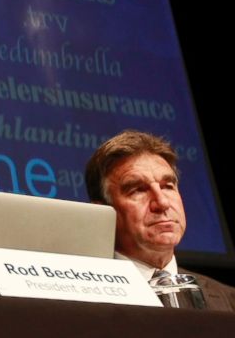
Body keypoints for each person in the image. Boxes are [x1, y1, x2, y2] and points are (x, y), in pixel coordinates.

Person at [85, 130, 235, 311]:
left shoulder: (230, 301)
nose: (162, 203)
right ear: (103, 212)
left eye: (168, 187)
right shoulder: (80, 299)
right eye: (138, 190)